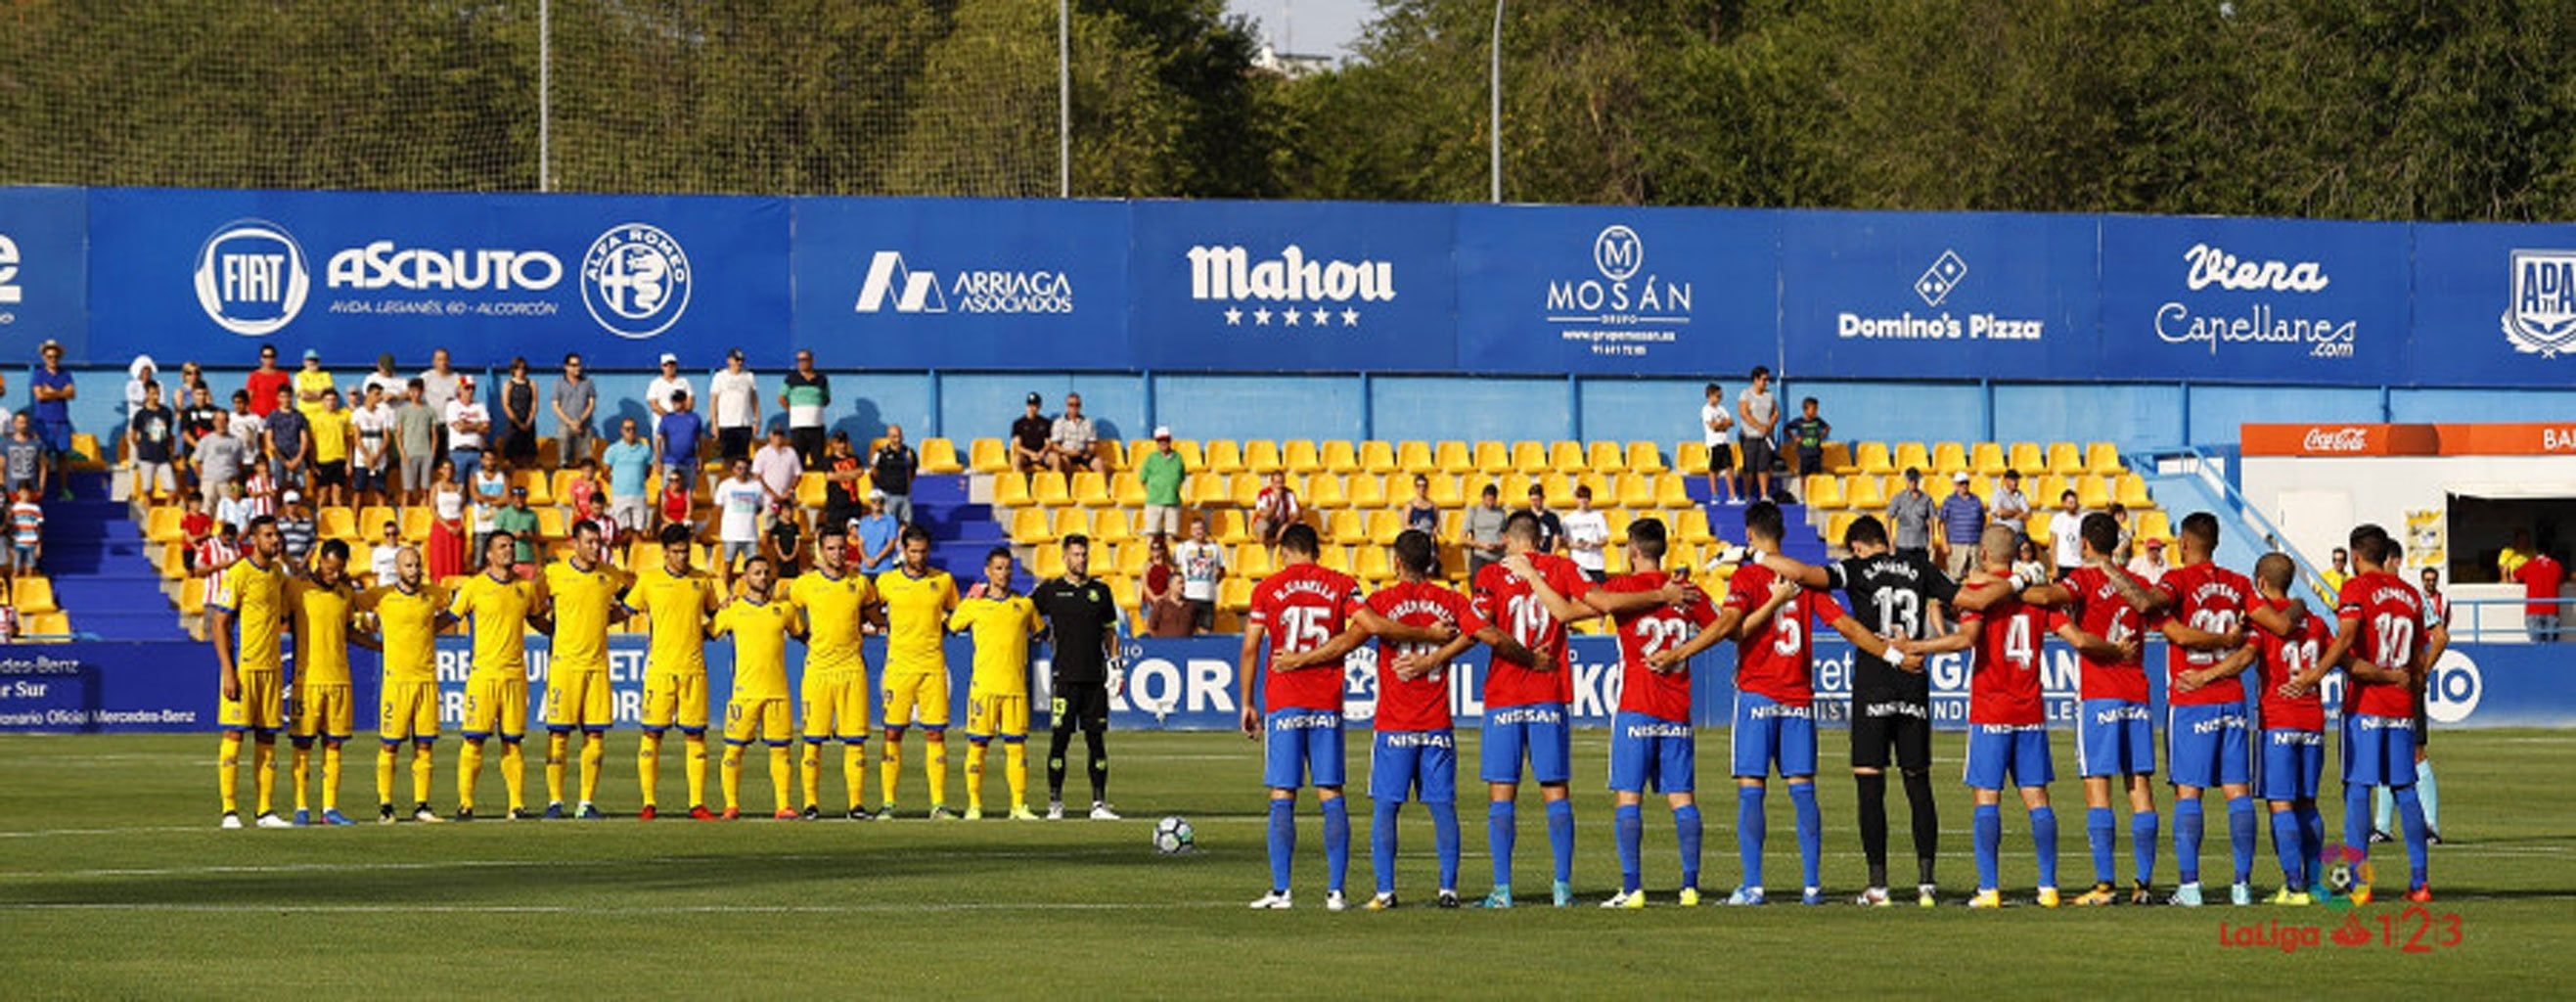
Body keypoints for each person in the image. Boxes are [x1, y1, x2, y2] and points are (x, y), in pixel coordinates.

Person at [1286, 529, 1538, 911]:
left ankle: (1385, 891)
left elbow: (1345, 643)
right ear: (1433, 562)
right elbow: (1488, 635)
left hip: (1394, 723)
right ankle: (1448, 889)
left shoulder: (1383, 602)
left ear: (1397, 562)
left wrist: (1299, 660)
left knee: (1386, 807)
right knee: (1441, 807)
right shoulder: (1452, 601)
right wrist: (1526, 658)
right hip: (1436, 723)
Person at [1753, 514, 1955, 907]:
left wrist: (1754, 554)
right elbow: (1961, 598)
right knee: (1918, 783)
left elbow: (1804, 574)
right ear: (1885, 539)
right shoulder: (1918, 567)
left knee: (1870, 783)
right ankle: (1927, 884)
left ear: (1859, 546)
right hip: (1913, 678)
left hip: (1874, 678)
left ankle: (1878, 886)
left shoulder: (1858, 567)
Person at [1658, 502, 1846, 906]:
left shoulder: (1748, 576)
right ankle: (1812, 887)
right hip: (1798, 697)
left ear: (1748, 534)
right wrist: (1889, 652)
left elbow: (1734, 629)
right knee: (1802, 789)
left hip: (1759, 692)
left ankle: (1754, 885)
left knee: (1751, 789)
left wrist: (1679, 653)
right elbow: (1843, 622)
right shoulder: (1804, 576)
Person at [1478, 511, 1664, 908]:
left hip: (1505, 692)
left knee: (1501, 793)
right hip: (1549, 692)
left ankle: (1502, 889)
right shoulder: (1563, 567)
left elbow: (1485, 630)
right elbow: (1601, 603)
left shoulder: (1491, 576)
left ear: (1512, 539)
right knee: (1556, 791)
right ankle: (1562, 887)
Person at [1239, 524, 1415, 912]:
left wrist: (1247, 702)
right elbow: (1368, 626)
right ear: (1317, 551)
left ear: (1284, 551)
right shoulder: (1341, 584)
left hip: (1284, 699)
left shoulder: (1266, 589)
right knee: (1330, 793)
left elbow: (1251, 647)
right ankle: (1336, 892)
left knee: (1283, 793)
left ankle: (1282, 891)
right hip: (1326, 702)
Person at [1898, 525, 2066, 909]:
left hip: (1991, 709)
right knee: (2037, 798)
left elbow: (1963, 639)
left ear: (1984, 556)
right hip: (2029, 711)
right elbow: (2074, 635)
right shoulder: (2038, 598)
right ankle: (2049, 887)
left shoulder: (1979, 597)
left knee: (1987, 798)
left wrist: (1916, 646)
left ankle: (1989, 888)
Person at [2282, 525, 2442, 904]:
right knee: (2405, 790)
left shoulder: (2355, 589)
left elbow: (2347, 636)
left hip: (2366, 704)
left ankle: (2359, 883)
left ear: (2355, 556)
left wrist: (2316, 673)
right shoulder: (2410, 594)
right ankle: (2419, 883)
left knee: (2358, 789)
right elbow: (2429, 643)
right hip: (2401, 705)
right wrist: (2416, 680)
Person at [2008, 513, 2161, 906]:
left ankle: (2105, 885)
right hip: (2138, 695)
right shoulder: (2137, 583)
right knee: (2139, 787)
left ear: (2085, 545)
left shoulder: (2083, 580)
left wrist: (2009, 586)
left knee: (2098, 787)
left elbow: (2044, 597)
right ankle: (2143, 885)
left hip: (2100, 694)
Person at [1586, 518, 1733, 909]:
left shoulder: (1621, 586)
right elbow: (1724, 626)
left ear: (1633, 549)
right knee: (1682, 798)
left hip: (1636, 704)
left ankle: (1632, 889)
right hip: (1676, 709)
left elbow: (1599, 603)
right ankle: (1689, 887)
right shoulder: (1687, 591)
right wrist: (1683, 649)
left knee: (1628, 798)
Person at [622, 524, 723, 821]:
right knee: (652, 733)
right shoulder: (649, 580)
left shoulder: (702, 580)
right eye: (676, 552)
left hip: (693, 668)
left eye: (685, 551)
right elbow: (626, 611)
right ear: (665, 552)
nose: (682, 557)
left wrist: (703, 634)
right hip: (661, 669)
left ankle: (696, 803)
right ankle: (649, 803)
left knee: (695, 735)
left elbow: (718, 616)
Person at [442, 531, 537, 821]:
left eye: (511, 546)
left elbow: (537, 619)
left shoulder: (526, 588)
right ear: (489, 555)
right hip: (483, 675)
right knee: (474, 740)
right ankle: (466, 804)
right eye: (502, 547)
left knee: (513, 741)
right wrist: (418, 633)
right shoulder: (474, 587)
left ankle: (516, 806)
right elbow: (450, 617)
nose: (508, 550)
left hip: (515, 676)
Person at [1031, 535, 1126, 821]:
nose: (1081, 560)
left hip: (1094, 678)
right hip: (1065, 678)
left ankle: (1099, 803)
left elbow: (1110, 632)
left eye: (1084, 555)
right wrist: (1043, 634)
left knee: (1096, 740)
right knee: (1059, 740)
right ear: (1064, 557)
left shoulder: (1101, 591)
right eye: (1075, 555)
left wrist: (1116, 666)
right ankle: (1055, 803)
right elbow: (1023, 611)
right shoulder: (1051, 590)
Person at [208, 516, 293, 829]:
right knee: (234, 733)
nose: (275, 540)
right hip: (244, 668)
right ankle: (230, 811)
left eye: (277, 535)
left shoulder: (278, 573)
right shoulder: (238, 573)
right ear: (254, 539)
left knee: (267, 736)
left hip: (272, 667)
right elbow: (219, 623)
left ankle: (265, 810)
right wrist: (228, 671)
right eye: (269, 535)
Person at [950, 547, 1046, 821]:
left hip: (1015, 687)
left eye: (1007, 568)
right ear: (987, 571)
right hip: (984, 687)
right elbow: (953, 625)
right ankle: (974, 805)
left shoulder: (1024, 605)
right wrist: (968, 599)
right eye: (998, 568)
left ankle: (1018, 805)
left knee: (1016, 746)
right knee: (977, 746)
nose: (1004, 574)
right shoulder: (974, 605)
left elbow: (1040, 632)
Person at [789, 526, 877, 819]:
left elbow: (876, 617)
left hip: (852, 669)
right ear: (820, 551)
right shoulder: (805, 585)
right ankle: (811, 804)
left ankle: (856, 804)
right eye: (831, 548)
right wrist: (805, 636)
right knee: (813, 739)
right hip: (818, 671)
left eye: (841, 548)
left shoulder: (861, 584)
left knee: (855, 740)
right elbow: (789, 614)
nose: (837, 554)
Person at [356, 545, 447, 823]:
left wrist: (430, 630)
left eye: (417, 564)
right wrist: (374, 643)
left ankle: (422, 805)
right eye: (409, 565)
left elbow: (453, 612)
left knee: (424, 745)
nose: (415, 570)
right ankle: (386, 806)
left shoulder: (433, 594)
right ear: (397, 569)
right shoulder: (381, 596)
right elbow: (349, 605)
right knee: (390, 745)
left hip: (426, 681)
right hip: (397, 683)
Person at [711, 556, 804, 820]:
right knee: (734, 749)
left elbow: (805, 635)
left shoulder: (784, 610)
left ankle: (783, 805)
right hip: (744, 692)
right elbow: (707, 632)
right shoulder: (733, 610)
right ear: (744, 579)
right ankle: (731, 805)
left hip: (777, 692)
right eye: (756, 573)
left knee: (781, 750)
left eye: (766, 572)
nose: (762, 577)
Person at [879, 524, 961, 819]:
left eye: (924, 551)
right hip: (899, 667)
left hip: (933, 667)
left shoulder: (943, 580)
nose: (919, 556)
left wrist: (945, 625)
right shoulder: (886, 582)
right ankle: (888, 803)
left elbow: (956, 615)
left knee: (936, 734)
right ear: (903, 550)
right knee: (892, 733)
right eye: (913, 551)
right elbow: (870, 609)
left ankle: (938, 804)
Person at [283, 539, 360, 826]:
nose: (334, 575)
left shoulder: (345, 593)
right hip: (307, 680)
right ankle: (301, 808)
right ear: (320, 562)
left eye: (339, 569)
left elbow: (349, 632)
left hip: (340, 679)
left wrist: (380, 648)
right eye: (330, 568)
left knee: (334, 745)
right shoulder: (297, 589)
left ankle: (330, 808)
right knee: (302, 745)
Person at [2378, 567, 2448, 844]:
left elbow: (2441, 637)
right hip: (2390, 684)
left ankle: (2430, 824)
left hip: (2394, 684)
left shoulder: (2413, 597)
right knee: (2384, 751)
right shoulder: (2412, 597)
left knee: (2414, 752)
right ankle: (2383, 826)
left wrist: (2422, 671)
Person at [26, 341, 77, 493]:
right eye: (49, 356)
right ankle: (39, 489)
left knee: (62, 455)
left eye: (55, 356)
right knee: (42, 457)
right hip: (43, 422)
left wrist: (52, 392)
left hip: (61, 421)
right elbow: (40, 395)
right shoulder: (38, 374)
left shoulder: (66, 374)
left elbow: (72, 394)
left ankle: (63, 489)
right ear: (44, 357)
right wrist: (61, 393)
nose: (52, 359)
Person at [125, 380, 179, 503]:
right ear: (147, 394)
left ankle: (168, 513)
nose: (156, 397)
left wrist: (170, 451)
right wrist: (141, 447)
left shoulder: (166, 412)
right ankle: (150, 515)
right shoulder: (141, 414)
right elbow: (133, 434)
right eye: (153, 393)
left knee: (171, 489)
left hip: (163, 457)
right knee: (147, 489)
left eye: (157, 393)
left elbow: (169, 434)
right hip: (147, 456)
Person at [600, 418, 654, 540]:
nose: (631, 432)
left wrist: (639, 480)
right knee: (621, 531)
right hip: (620, 495)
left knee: (639, 530)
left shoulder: (645, 449)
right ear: (621, 431)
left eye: (633, 429)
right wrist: (616, 483)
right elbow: (604, 471)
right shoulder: (613, 450)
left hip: (639, 494)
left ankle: (637, 557)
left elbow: (648, 469)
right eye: (627, 429)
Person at [708, 348, 761, 465]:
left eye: (741, 360)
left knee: (743, 458)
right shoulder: (720, 377)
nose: (739, 363)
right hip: (726, 424)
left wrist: (757, 421)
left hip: (744, 424)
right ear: (729, 360)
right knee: (728, 458)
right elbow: (713, 401)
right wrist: (714, 423)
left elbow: (754, 401)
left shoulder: (749, 376)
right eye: (736, 360)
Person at [713, 458, 763, 582]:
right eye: (739, 468)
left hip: (750, 535)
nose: (742, 471)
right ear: (733, 470)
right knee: (728, 565)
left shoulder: (756, 486)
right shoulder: (725, 485)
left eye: (745, 468)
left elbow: (760, 507)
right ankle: (725, 592)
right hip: (731, 534)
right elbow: (718, 508)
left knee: (753, 568)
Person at [1174, 515, 1225, 635]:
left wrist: (1212, 581)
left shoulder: (1215, 548)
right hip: (1189, 596)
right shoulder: (1183, 548)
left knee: (1206, 632)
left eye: (1200, 529)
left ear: (1205, 530)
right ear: (1191, 532)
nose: (1198, 532)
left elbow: (1222, 570)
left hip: (1207, 596)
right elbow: (1175, 570)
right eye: (1195, 529)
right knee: (1187, 631)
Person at [1737, 366, 1780, 504]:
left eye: (1767, 380)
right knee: (1749, 467)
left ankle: (1764, 494)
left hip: (1765, 437)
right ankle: (1748, 494)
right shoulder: (1746, 394)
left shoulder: (1769, 396)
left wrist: (1769, 425)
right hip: (1750, 436)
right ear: (1755, 379)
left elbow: (1776, 412)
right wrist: (1758, 426)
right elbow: (1744, 413)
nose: (1766, 382)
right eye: (1763, 379)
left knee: (1763, 466)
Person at [780, 349, 831, 466]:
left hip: (817, 426)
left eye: (805, 359)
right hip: (798, 427)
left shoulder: (822, 379)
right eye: (799, 360)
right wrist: (793, 412)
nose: (802, 362)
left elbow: (827, 399)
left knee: (818, 460)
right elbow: (781, 398)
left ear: (812, 361)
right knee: (798, 461)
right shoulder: (791, 378)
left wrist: (814, 409)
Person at [393, 380, 438, 508]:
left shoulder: (430, 411)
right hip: (409, 454)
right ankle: (404, 520)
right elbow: (398, 434)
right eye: (412, 391)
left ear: (422, 391)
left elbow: (434, 434)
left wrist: (432, 454)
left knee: (425, 489)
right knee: (407, 489)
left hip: (425, 454)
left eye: (417, 391)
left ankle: (425, 516)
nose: (415, 394)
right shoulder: (403, 411)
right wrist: (402, 453)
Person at [1935, 472, 1987, 580]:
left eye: (1966, 483)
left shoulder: (1976, 500)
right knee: (1955, 576)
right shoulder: (1949, 501)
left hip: (1975, 544)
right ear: (1955, 485)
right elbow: (1942, 523)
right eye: (1961, 483)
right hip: (1956, 544)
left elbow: (1982, 522)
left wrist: (1983, 544)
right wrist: (1944, 543)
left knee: (1976, 575)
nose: (1964, 486)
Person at [350, 384, 394, 511]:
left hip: (379, 458)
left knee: (380, 491)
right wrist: (367, 456)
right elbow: (357, 438)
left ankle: (380, 521)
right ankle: (355, 522)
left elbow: (386, 438)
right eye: (376, 394)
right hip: (362, 459)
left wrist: (377, 456)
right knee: (359, 491)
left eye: (380, 394)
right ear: (368, 394)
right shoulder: (358, 413)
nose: (379, 397)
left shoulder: (383, 413)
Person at [306, 388, 352, 510]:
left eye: (333, 400)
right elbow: (311, 444)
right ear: (322, 401)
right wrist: (312, 464)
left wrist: (349, 462)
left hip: (339, 459)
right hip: (322, 460)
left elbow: (349, 441)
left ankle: (338, 524)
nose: (330, 403)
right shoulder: (315, 419)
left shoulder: (343, 417)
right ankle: (319, 521)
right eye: (327, 400)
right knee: (322, 494)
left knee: (337, 495)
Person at [1139, 427, 1186, 539]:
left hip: (1172, 501)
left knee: (1171, 533)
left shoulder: (1178, 458)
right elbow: (1142, 479)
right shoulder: (1151, 458)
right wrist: (1153, 492)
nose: (1163, 443)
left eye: (1166, 439)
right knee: (1151, 532)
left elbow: (1181, 477)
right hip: (1154, 501)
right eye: (1160, 440)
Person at [1142, 533, 1193, 638]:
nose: (1156, 552)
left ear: (1163, 550)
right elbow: (1145, 584)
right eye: (1153, 549)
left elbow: (1172, 584)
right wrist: (1154, 598)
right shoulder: (1147, 565)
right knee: (1150, 627)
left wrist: (1162, 597)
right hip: (1148, 601)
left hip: (1164, 600)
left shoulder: (1169, 566)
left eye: (1158, 548)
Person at [425, 460, 468, 581]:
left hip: (457, 525)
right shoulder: (436, 487)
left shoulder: (460, 487)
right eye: (445, 468)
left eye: (450, 469)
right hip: (441, 525)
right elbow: (433, 508)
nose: (448, 471)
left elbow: (463, 507)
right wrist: (446, 525)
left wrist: (461, 524)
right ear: (441, 471)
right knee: (440, 559)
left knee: (456, 558)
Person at [263, 386, 310, 494]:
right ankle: (280, 510)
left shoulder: (299, 416)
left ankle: (299, 510)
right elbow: (269, 441)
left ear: (292, 397)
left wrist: (298, 459)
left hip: (297, 458)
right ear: (278, 398)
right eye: (282, 397)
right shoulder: (272, 416)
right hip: (278, 458)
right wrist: (284, 461)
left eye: (288, 396)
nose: (285, 400)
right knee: (279, 487)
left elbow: (304, 440)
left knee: (300, 487)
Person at [2513, 541, 2564, 642]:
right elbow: (2562, 580)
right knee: (2552, 646)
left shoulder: (2529, 565)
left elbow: (2514, 577)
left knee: (2536, 646)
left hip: (2534, 609)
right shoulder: (2556, 566)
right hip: (2551, 609)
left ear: (2536, 552)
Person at [552, 353, 596, 469]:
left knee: (586, 457)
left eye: (579, 365)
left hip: (584, 425)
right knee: (564, 459)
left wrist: (580, 421)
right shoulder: (559, 383)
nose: (578, 368)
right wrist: (570, 422)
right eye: (574, 365)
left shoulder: (588, 382)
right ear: (566, 367)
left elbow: (591, 404)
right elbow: (556, 405)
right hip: (565, 425)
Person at [443, 376, 488, 487]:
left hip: (476, 452)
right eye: (467, 388)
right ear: (460, 389)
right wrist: (477, 425)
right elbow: (459, 428)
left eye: (473, 388)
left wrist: (466, 424)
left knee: (476, 487)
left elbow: (486, 428)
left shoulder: (480, 406)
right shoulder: (453, 405)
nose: (471, 391)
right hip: (458, 452)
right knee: (459, 487)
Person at [817, 431, 866, 533]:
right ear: (834, 444)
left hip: (853, 504)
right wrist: (850, 474)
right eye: (839, 442)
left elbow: (860, 472)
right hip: (835, 504)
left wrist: (840, 475)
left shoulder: (854, 458)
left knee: (854, 533)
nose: (842, 445)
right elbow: (830, 476)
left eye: (844, 442)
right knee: (836, 533)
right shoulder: (828, 460)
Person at [1559, 484, 1609, 581]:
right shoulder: (1568, 519)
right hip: (1577, 564)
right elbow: (1562, 541)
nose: (1583, 500)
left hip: (1595, 564)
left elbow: (1605, 539)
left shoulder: (1598, 516)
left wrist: (1593, 544)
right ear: (1576, 499)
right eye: (1581, 497)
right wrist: (1574, 545)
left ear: (1590, 499)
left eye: (1586, 497)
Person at [191, 413, 245, 502]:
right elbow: (197, 462)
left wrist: (236, 485)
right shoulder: (205, 440)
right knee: (206, 511)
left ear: (228, 422)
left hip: (228, 483)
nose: (221, 423)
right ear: (213, 422)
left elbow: (239, 464)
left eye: (224, 420)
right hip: (209, 482)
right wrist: (203, 479)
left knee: (229, 512)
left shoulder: (236, 441)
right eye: (218, 420)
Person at [1700, 382, 1739, 505]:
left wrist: (1722, 425)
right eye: (1717, 396)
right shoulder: (1706, 410)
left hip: (1724, 442)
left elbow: (1732, 422)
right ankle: (1715, 495)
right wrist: (1723, 425)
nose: (1719, 398)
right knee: (1714, 469)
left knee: (1729, 468)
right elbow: (1713, 426)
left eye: (1720, 396)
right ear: (1710, 395)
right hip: (1713, 444)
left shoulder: (1722, 409)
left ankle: (1732, 496)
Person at [872, 425, 919, 525]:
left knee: (905, 525)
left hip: (904, 496)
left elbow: (912, 471)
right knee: (889, 526)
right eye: (894, 437)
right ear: (888, 437)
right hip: (888, 496)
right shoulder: (881, 454)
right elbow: (874, 472)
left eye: (899, 436)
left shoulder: (909, 453)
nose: (897, 440)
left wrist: (907, 489)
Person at [655, 388, 704, 487]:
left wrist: (700, 459)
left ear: (685, 401)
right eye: (674, 400)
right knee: (667, 491)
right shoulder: (666, 419)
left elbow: (699, 440)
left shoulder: (694, 418)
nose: (676, 403)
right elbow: (658, 440)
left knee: (688, 492)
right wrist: (658, 461)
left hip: (689, 462)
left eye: (679, 400)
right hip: (670, 461)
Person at [751, 426, 802, 519]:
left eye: (781, 435)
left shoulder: (791, 452)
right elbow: (757, 476)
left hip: (786, 499)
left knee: (786, 526)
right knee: (769, 525)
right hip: (769, 499)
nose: (778, 437)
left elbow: (798, 475)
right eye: (775, 434)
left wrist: (789, 491)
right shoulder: (762, 453)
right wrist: (772, 494)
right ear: (770, 436)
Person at [495, 356, 538, 466]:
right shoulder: (509, 384)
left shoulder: (531, 384)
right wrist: (517, 422)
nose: (521, 371)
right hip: (513, 422)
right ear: (513, 369)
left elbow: (534, 402)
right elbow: (506, 404)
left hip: (528, 421)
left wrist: (529, 420)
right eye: (518, 368)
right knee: (512, 451)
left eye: (523, 368)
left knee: (528, 452)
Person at [1886, 468, 1933, 563]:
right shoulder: (1898, 498)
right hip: (1903, 545)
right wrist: (1889, 539)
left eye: (1915, 480)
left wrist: (1931, 541)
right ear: (1906, 481)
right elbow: (1889, 518)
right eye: (1910, 480)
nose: (1913, 483)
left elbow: (1930, 521)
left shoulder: (1926, 499)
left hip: (1920, 545)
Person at [1462, 483, 1509, 577]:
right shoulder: (1474, 512)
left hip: (1497, 556)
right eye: (1488, 500)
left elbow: (1506, 536)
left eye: (1492, 500)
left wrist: (1500, 544)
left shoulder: (1501, 513)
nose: (1490, 503)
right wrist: (1480, 545)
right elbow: (1463, 538)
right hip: (1480, 556)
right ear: (1483, 498)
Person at [493, 486, 540, 576]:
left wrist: (530, 535)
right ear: (511, 499)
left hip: (528, 559)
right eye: (516, 497)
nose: (519, 500)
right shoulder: (503, 513)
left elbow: (538, 537)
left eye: (522, 497)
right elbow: (496, 537)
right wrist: (513, 536)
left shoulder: (532, 515)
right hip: (510, 560)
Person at [1048, 392, 1099, 473]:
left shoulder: (1088, 422)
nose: (1074, 407)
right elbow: (1055, 445)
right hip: (1066, 453)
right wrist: (1068, 452)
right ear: (1067, 406)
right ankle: (1068, 485)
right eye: (1071, 405)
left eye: (1077, 405)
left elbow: (1092, 443)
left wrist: (1088, 453)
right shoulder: (1059, 422)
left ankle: (1104, 485)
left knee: (1099, 463)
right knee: (1064, 461)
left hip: (1083, 453)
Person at [645, 352, 691, 439]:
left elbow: (690, 402)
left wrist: (680, 418)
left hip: (682, 426)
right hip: (661, 425)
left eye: (672, 364)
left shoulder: (684, 382)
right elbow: (654, 405)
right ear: (662, 367)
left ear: (676, 366)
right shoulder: (655, 383)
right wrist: (670, 418)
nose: (669, 367)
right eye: (666, 365)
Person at [1251, 471, 1300, 549]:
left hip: (1282, 523)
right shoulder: (1264, 494)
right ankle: (1262, 550)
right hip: (1268, 523)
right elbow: (1265, 515)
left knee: (1299, 526)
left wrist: (1286, 525)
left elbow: (1295, 514)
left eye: (1281, 482)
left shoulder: (1289, 493)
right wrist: (1276, 502)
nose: (1279, 486)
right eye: (1277, 483)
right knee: (1261, 525)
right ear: (1272, 483)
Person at [1782, 397, 1830, 476]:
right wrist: (1794, 437)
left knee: (1816, 475)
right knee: (1803, 475)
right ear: (1805, 410)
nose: (1816, 411)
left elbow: (1827, 427)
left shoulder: (1817, 420)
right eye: (1813, 409)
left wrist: (1821, 436)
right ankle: (1803, 488)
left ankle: (1815, 488)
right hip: (1804, 454)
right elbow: (1786, 428)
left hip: (1816, 453)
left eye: (1816, 409)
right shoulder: (1798, 421)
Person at [855, 490, 900, 574]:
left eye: (880, 501)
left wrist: (876, 559)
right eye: (874, 501)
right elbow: (860, 544)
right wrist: (866, 560)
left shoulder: (891, 520)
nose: (877, 504)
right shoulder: (864, 521)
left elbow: (891, 544)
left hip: (884, 568)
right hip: (866, 568)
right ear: (870, 503)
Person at [275, 490, 317, 573]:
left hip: (302, 562)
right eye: (289, 503)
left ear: (299, 504)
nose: (292, 506)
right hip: (284, 562)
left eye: (294, 503)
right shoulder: (279, 524)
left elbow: (312, 546)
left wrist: (302, 563)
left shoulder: (308, 523)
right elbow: (277, 545)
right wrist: (286, 562)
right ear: (284, 504)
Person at [2, 413, 41, 500]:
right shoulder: (5, 443)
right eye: (20, 422)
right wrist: (2, 488)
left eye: (25, 422)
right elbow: (1, 467)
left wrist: (41, 487)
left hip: (32, 490)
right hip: (11, 490)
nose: (23, 425)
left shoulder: (36, 443)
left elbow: (43, 466)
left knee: (30, 513)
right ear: (14, 423)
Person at [1010, 392, 1052, 473]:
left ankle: (1055, 484)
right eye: (1029, 405)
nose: (1032, 408)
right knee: (1017, 459)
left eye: (1035, 405)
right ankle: (1019, 484)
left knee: (1055, 458)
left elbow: (1048, 443)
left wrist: (1042, 452)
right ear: (1026, 406)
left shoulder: (1045, 423)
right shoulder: (1018, 423)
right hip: (1026, 456)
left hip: (1042, 455)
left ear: (1039, 407)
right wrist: (1031, 454)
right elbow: (1018, 446)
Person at [761, 503, 806, 579]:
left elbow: (797, 542)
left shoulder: (795, 526)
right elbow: (776, 543)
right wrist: (782, 555)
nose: (788, 513)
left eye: (790, 511)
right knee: (782, 575)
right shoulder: (777, 526)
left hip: (793, 556)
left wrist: (793, 554)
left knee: (794, 575)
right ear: (781, 512)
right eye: (785, 511)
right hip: (781, 556)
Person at [245, 343, 290, 419]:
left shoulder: (283, 376)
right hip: (259, 418)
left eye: (271, 356)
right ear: (261, 358)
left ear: (275, 358)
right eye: (265, 356)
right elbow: (248, 398)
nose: (268, 359)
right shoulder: (254, 376)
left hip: (278, 418)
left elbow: (288, 397)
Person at [2049, 489, 2084, 578]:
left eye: (2075, 502)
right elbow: (2053, 545)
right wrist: (2054, 567)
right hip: (2062, 564)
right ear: (2064, 503)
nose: (2073, 505)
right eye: (2070, 502)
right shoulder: (2058, 519)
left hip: (2078, 564)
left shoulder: (2082, 519)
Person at [7, 486, 41, 580]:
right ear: (18, 493)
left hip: (31, 542)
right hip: (17, 542)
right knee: (16, 569)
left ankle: (27, 591)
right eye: (23, 492)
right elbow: (9, 527)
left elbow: (38, 527)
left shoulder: (36, 508)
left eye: (27, 492)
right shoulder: (14, 508)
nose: (25, 495)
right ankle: (14, 590)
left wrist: (38, 544)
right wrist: (10, 544)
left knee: (29, 569)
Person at [292, 348, 334, 419]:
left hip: (323, 416)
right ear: (304, 362)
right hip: (304, 416)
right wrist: (319, 393)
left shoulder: (326, 375)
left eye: (315, 360)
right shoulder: (299, 376)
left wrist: (310, 393)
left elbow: (329, 394)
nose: (313, 362)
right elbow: (303, 395)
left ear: (319, 362)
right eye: (310, 360)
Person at [1991, 470, 2030, 538]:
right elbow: (2000, 513)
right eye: (2013, 479)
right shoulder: (1998, 494)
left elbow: (2028, 514)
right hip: (2002, 533)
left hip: (2018, 533)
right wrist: (2017, 511)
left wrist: (2008, 513)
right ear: (2006, 480)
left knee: (2026, 547)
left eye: (2017, 479)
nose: (2016, 482)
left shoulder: (2020, 494)